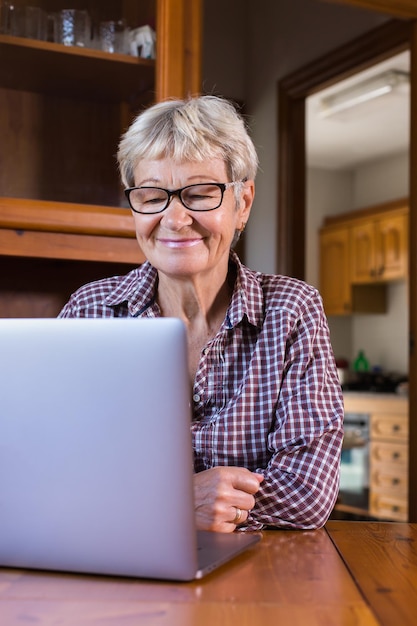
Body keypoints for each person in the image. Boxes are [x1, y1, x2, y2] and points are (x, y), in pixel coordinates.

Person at [59, 95, 344, 533]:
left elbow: (307, 491)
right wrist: (179, 500)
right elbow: (57, 472)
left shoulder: (292, 310)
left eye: (200, 193)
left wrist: (129, 497)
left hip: (259, 583)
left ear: (242, 202)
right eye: (152, 196)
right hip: (123, 564)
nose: (175, 219)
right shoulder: (89, 311)